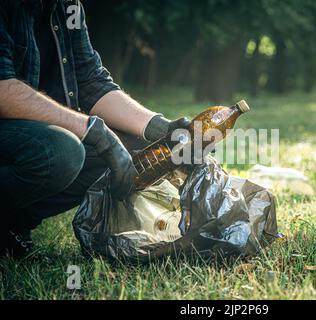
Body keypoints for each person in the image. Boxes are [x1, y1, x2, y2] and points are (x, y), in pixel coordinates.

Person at [0, 0, 190, 257]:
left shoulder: (68, 7)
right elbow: (3, 89)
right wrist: (92, 130)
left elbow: (90, 80)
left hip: (27, 137)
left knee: (144, 152)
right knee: (61, 152)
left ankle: (11, 225)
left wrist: (161, 128)